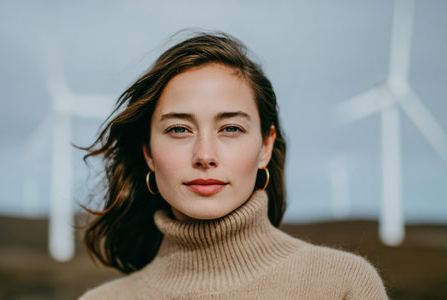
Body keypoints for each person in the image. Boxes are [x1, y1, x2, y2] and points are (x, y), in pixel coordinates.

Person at [79, 32, 388, 299]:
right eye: (178, 129)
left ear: (265, 146)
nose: (204, 155)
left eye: (230, 129)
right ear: (148, 152)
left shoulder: (343, 286)